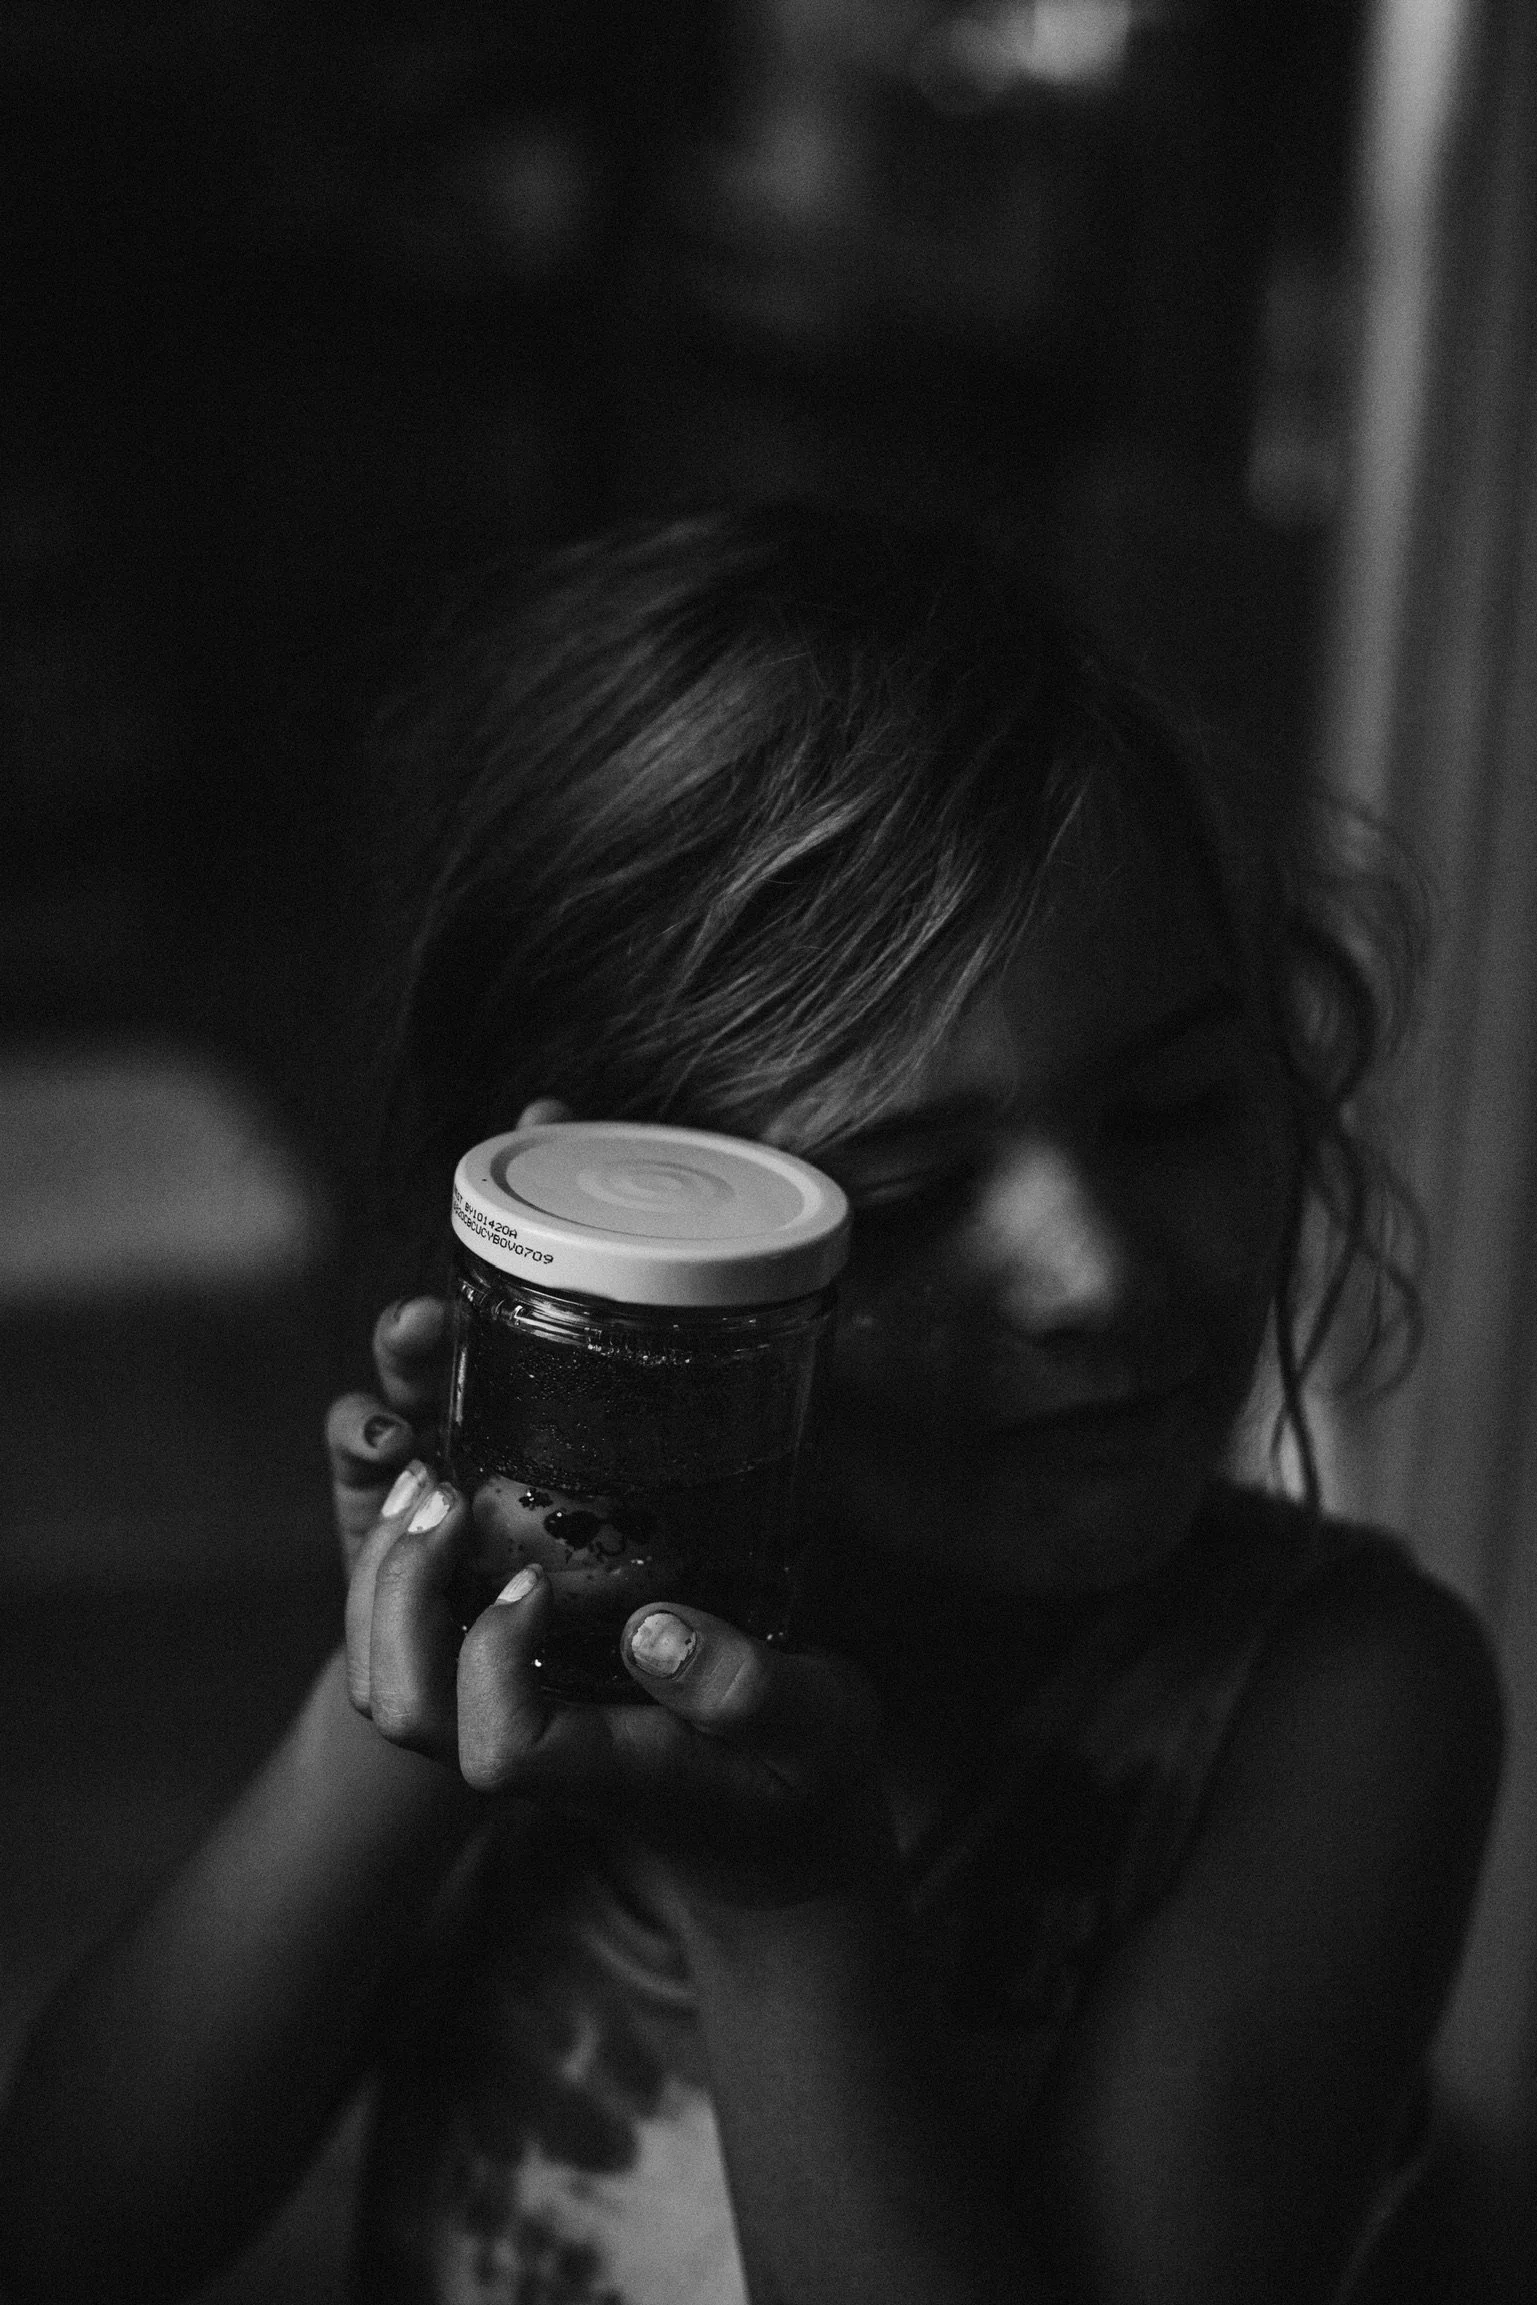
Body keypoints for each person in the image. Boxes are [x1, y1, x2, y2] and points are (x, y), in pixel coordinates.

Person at [0, 505, 1505, 2305]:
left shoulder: (1331, 1709)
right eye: (910, 1197)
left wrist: (787, 1914)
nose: (1098, 1275)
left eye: (1177, 1110)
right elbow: (71, 2225)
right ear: (609, 1247)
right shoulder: (551, 1621)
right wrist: (389, 1722)